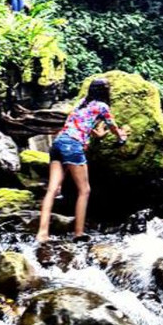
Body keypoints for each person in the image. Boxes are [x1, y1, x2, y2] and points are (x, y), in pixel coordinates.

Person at [36, 78, 128, 243]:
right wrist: (121, 136)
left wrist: (99, 134)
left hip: (58, 143)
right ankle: (78, 234)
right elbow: (113, 127)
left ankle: (42, 233)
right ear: (105, 91)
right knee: (84, 190)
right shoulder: (102, 107)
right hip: (72, 146)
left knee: (52, 189)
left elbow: (82, 126)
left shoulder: (81, 104)